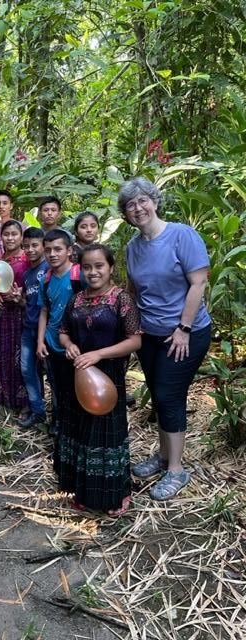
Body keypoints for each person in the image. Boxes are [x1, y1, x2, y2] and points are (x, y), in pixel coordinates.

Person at [118, 176, 211, 501]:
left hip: (185, 334)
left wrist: (183, 328)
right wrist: (131, 328)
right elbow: (134, 291)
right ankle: (162, 456)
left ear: (155, 201)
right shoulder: (133, 247)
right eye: (130, 205)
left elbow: (198, 283)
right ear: (126, 214)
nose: (138, 208)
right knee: (159, 397)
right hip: (150, 335)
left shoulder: (181, 235)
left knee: (169, 396)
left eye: (142, 200)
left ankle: (176, 469)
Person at [58, 244, 142, 516]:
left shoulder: (121, 299)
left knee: (107, 436)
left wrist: (98, 354)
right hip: (78, 373)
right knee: (81, 431)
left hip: (109, 376)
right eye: (87, 267)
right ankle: (84, 492)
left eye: (99, 266)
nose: (93, 272)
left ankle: (117, 494)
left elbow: (135, 341)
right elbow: (63, 331)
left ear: (111, 268)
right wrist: (69, 345)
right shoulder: (76, 300)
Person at [37, 229, 82, 434]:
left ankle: (76, 424)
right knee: (56, 384)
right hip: (52, 342)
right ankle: (58, 421)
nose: (52, 254)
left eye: (58, 249)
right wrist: (40, 341)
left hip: (76, 343)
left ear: (69, 250)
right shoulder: (46, 279)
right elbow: (44, 311)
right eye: (48, 250)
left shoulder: (79, 275)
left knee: (76, 385)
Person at [0, 219, 29, 411]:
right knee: (2, 354)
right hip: (2, 314)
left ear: (21, 237)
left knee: (21, 358)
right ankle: (3, 398)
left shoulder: (28, 259)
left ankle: (24, 402)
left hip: (21, 314)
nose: (10, 238)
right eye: (6, 234)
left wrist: (21, 297)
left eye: (14, 234)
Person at [19, 227, 48, 428]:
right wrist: (18, 299)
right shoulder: (27, 274)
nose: (30, 250)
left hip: (47, 330)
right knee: (27, 369)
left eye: (35, 245)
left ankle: (59, 417)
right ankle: (38, 411)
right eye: (26, 246)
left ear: (43, 246)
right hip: (28, 327)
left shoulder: (49, 269)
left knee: (53, 374)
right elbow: (28, 302)